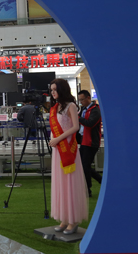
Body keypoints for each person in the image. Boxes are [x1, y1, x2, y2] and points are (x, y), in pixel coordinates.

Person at [48, 78, 88, 234]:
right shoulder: (55, 108)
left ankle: (73, 220)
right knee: (61, 183)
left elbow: (75, 127)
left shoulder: (71, 106)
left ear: (62, 89)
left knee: (70, 183)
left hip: (68, 149)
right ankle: (64, 219)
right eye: (51, 90)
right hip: (58, 149)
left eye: (55, 90)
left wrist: (57, 139)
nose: (53, 93)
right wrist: (53, 140)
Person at [77, 90, 102, 197]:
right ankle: (100, 181)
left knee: (85, 166)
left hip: (91, 142)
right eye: (79, 100)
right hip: (84, 140)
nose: (81, 102)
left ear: (88, 98)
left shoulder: (95, 110)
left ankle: (88, 189)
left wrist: (78, 118)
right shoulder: (83, 109)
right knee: (84, 166)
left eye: (82, 99)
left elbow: (90, 123)